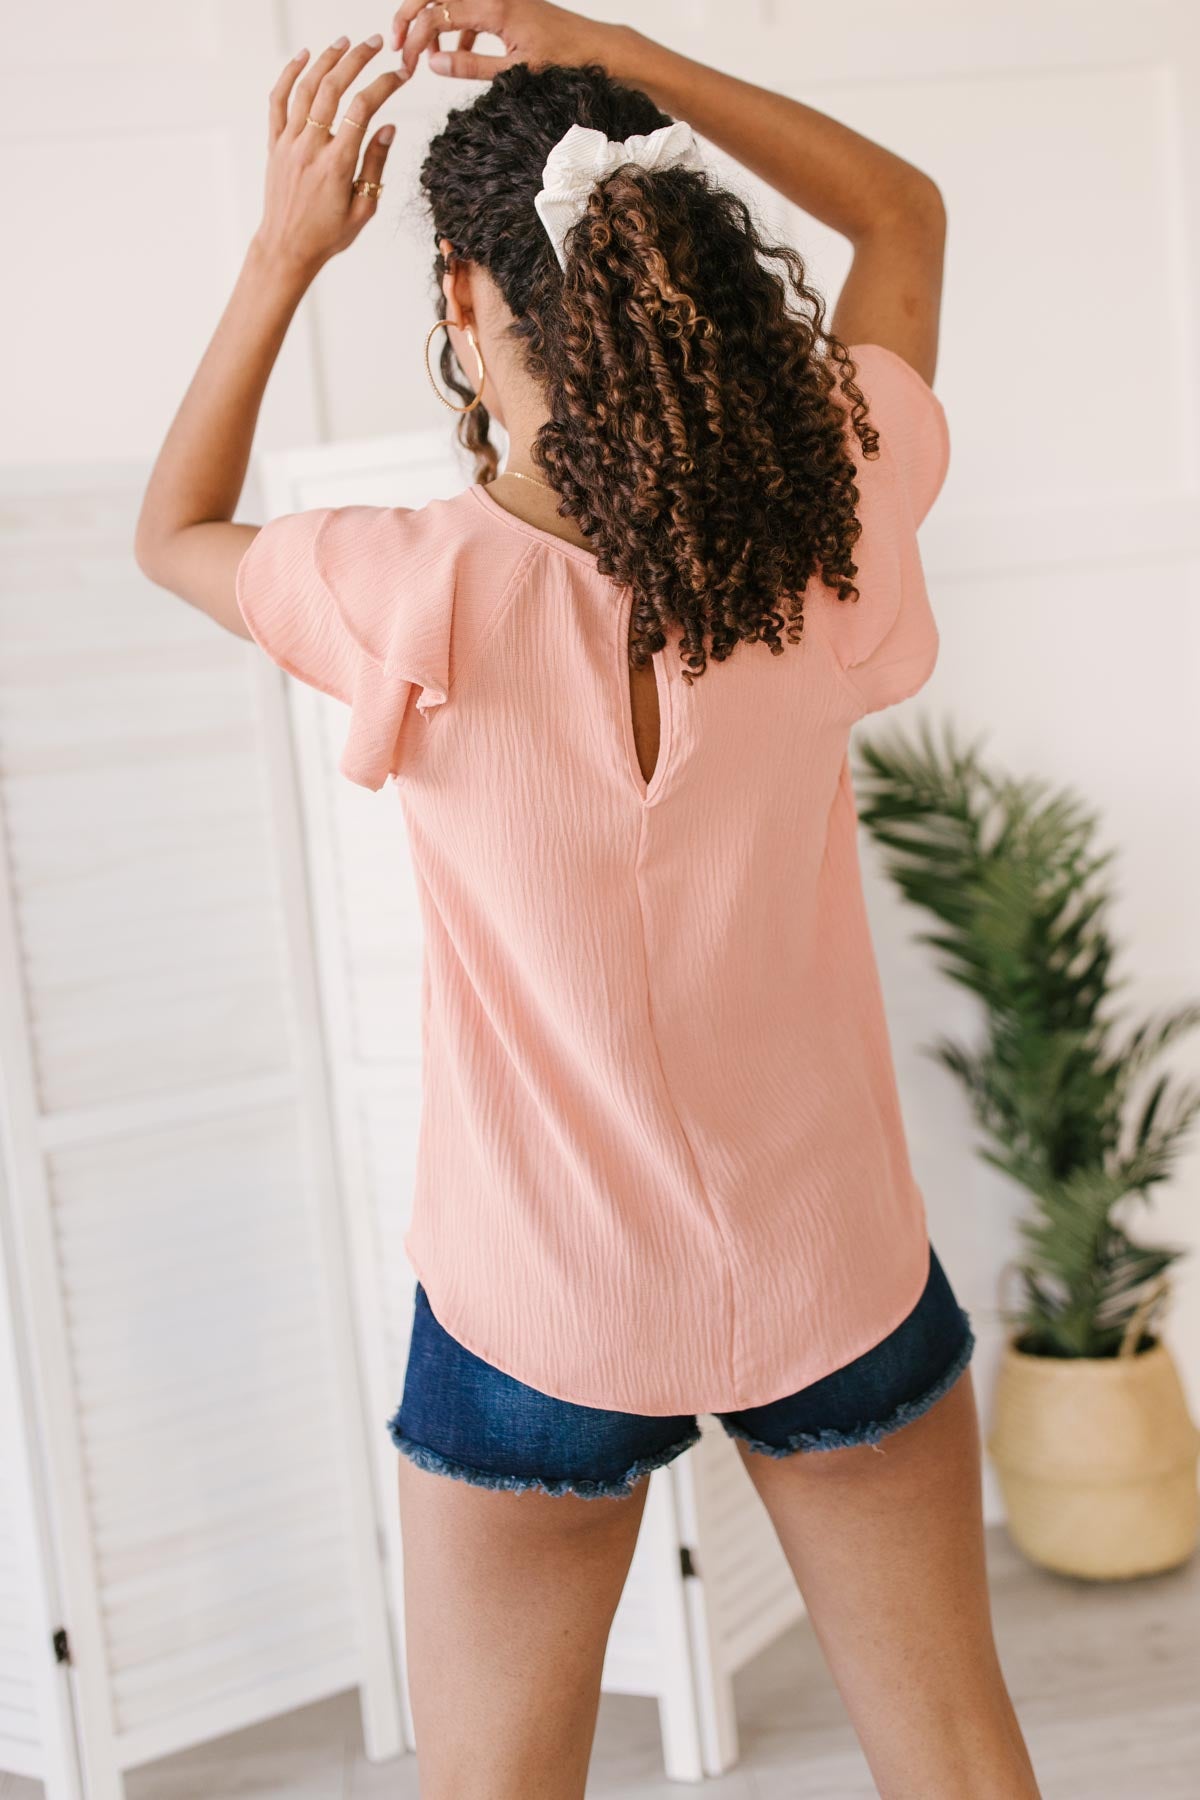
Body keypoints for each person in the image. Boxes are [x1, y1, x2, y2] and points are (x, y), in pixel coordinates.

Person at [135, 4, 1041, 1795]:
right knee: (954, 1756)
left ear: (466, 309)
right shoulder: (827, 515)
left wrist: (280, 251)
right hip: (829, 1263)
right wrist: (627, 59)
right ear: (683, 278)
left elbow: (175, 530)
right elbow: (906, 214)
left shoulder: (403, 589)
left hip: (536, 1303)